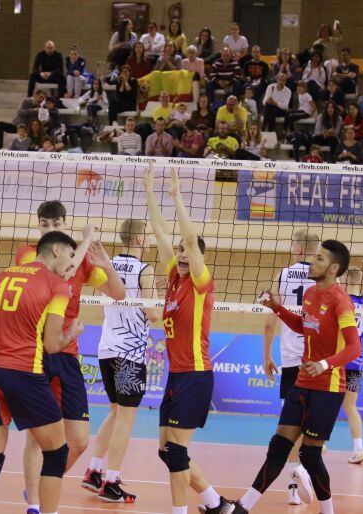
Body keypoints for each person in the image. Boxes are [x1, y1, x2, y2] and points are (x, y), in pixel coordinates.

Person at [218, 239, 361, 514]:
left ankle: (327, 511)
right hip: (302, 382)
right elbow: (303, 326)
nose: (312, 262)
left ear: (333, 268)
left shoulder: (341, 302)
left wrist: (325, 363)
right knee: (278, 446)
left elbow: (354, 347)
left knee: (309, 453)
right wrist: (276, 307)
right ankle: (243, 507)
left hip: (327, 387)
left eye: (319, 259)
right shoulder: (310, 294)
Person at [0, 231, 84, 514]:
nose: (71, 264)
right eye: (70, 255)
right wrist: (71, 333)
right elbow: (52, 345)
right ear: (55, 250)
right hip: (24, 372)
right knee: (57, 453)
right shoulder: (58, 286)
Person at [16, 202, 125, 514]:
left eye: (56, 222)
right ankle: (35, 504)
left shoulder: (82, 260)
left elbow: (118, 294)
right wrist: (87, 239)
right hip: (36, 352)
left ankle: (40, 485)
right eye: (45, 223)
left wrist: (105, 262)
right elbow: (62, 271)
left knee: (78, 441)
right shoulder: (29, 254)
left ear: (64, 222)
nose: (50, 228)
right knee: (37, 437)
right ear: (38, 226)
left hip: (67, 354)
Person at [144, 165, 224, 514]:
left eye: (186, 253)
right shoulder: (174, 280)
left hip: (195, 373)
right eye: (178, 252)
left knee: (176, 452)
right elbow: (162, 234)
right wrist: (149, 189)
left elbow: (190, 241)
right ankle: (215, 503)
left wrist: (177, 197)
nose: (180, 254)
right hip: (176, 375)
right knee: (165, 451)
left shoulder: (200, 283)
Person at [82, 219, 161, 502]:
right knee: (126, 417)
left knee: (116, 412)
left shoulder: (107, 263)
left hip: (106, 349)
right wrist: (162, 302)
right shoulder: (145, 270)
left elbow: (116, 294)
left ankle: (94, 471)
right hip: (129, 354)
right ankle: (111, 482)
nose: (151, 240)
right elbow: (153, 315)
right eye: (148, 236)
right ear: (139, 240)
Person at [261, 229, 319, 506]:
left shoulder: (282, 275)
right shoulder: (326, 277)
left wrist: (266, 355)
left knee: (290, 424)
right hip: (316, 359)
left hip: (289, 358)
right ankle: (301, 472)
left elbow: (271, 318)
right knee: (312, 427)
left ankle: (295, 487)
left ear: (297, 249)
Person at [342, 267, 363, 465]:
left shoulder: (343, 301)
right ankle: (359, 448)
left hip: (340, 359)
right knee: (351, 406)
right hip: (358, 360)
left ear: (345, 279)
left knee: (325, 402)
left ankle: (318, 443)